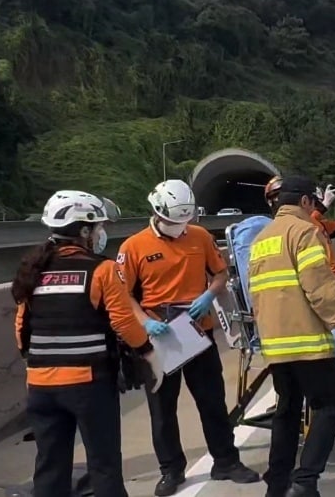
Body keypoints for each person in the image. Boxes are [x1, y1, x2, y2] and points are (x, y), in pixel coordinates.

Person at [13, 190, 165, 497]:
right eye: (97, 227)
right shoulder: (101, 269)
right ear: (83, 230)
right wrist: (149, 354)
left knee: (49, 468)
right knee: (104, 465)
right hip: (88, 386)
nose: (100, 233)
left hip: (41, 387)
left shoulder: (33, 269)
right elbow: (123, 322)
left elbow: (21, 329)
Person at [116, 179, 259, 496]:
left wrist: (208, 296)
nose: (180, 228)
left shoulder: (200, 237)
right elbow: (123, 295)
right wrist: (144, 323)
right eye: (173, 222)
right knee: (163, 410)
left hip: (198, 332)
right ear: (156, 212)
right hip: (160, 337)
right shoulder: (133, 247)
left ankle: (226, 461)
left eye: (185, 221)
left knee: (212, 401)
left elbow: (220, 274)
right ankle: (171, 470)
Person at [248, 175, 335, 497]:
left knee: (287, 410)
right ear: (303, 202)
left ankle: (277, 482)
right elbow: (319, 287)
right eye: (313, 203)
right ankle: (305, 480)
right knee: (330, 404)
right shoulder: (303, 232)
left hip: (276, 347)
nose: (315, 209)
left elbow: (258, 295)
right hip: (307, 342)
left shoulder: (261, 239)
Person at [265, 177, 335, 281]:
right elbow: (306, 225)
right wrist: (323, 206)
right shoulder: (281, 230)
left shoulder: (318, 224)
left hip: (329, 283)